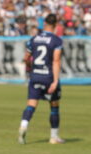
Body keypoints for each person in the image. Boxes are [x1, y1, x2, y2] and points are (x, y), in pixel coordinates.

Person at [19, 13, 64, 145]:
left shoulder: (34, 39)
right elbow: (56, 61)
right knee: (54, 106)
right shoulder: (56, 41)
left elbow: (26, 58)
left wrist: (29, 67)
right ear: (55, 25)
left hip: (35, 76)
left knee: (31, 105)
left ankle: (23, 125)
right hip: (48, 76)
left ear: (44, 24)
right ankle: (53, 137)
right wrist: (55, 81)